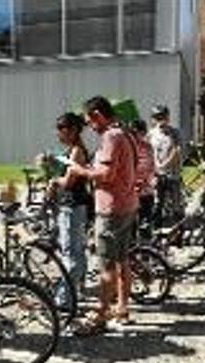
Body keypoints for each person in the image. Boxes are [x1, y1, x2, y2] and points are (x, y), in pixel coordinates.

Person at [65, 96, 138, 332]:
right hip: (127, 205)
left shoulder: (110, 136)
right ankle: (122, 309)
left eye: (90, 121)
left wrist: (79, 170)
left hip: (111, 209)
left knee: (106, 265)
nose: (90, 127)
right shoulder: (126, 133)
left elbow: (105, 174)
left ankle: (101, 315)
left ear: (98, 115)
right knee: (123, 261)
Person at [38, 112, 90, 302]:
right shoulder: (73, 149)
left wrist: (53, 181)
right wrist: (50, 164)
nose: (58, 133)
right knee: (77, 252)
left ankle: (63, 300)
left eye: (62, 129)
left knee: (70, 255)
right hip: (75, 205)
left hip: (72, 206)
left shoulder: (77, 151)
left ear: (73, 130)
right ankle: (75, 292)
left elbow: (69, 181)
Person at [147, 104, 182, 225]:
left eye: (162, 117)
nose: (160, 120)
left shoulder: (175, 132)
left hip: (172, 174)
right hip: (157, 175)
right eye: (157, 117)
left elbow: (177, 151)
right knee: (157, 204)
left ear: (168, 117)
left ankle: (178, 234)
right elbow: (148, 152)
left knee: (176, 205)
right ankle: (156, 231)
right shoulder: (151, 134)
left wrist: (165, 164)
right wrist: (154, 166)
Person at [130, 119, 157, 238]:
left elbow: (149, 167)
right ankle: (132, 252)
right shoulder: (128, 146)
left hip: (144, 191)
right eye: (132, 133)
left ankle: (146, 253)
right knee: (130, 227)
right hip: (130, 192)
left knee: (145, 225)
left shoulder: (147, 147)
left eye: (137, 133)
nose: (135, 136)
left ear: (143, 132)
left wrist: (142, 181)